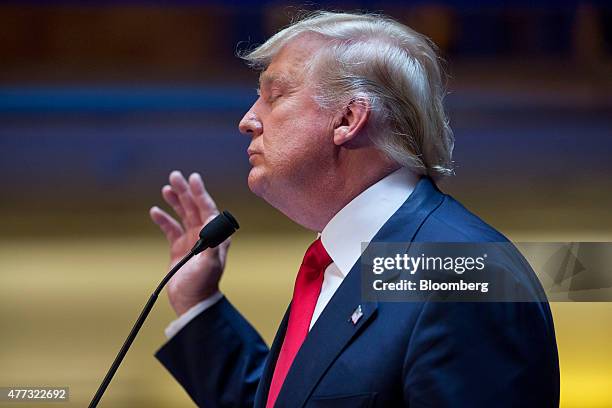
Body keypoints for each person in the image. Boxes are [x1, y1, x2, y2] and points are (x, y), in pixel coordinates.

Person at [149, 11, 560, 408]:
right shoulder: (353, 260)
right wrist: (199, 304)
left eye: (274, 96)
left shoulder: (466, 271)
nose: (248, 120)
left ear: (348, 117)